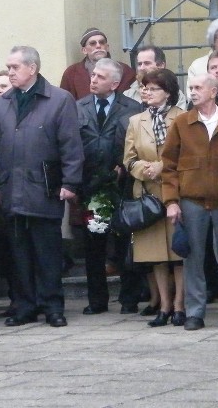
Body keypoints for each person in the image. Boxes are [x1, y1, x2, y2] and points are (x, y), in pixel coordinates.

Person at [0, 46, 84, 328]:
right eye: (9, 67)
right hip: (11, 190)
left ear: (33, 68)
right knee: (18, 254)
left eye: (15, 67)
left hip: (45, 188)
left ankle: (52, 306)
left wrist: (70, 182)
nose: (11, 72)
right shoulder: (2, 102)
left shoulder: (59, 99)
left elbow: (70, 144)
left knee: (47, 253)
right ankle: (24, 305)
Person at [160, 73, 218, 330]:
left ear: (213, 92)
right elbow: (168, 166)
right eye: (190, 88)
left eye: (198, 87)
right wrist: (171, 201)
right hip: (192, 200)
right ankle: (195, 312)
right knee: (194, 258)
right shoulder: (181, 123)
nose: (193, 92)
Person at [76, 58, 143, 315]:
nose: (93, 79)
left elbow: (137, 142)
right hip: (93, 186)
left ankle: (129, 298)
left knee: (126, 242)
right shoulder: (79, 106)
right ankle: (97, 300)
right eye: (93, 75)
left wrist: (122, 166)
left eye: (100, 77)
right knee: (94, 244)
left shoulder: (133, 107)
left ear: (115, 83)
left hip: (124, 185)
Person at [124, 68, 186, 327]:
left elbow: (189, 154)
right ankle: (163, 304)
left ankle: (181, 305)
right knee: (157, 255)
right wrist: (144, 169)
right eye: (145, 88)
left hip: (177, 192)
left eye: (153, 88)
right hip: (148, 195)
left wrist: (163, 166)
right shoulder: (135, 121)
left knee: (179, 252)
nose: (147, 93)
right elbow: (128, 159)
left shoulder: (182, 117)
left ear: (168, 92)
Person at [60, 28, 135, 100]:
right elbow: (65, 103)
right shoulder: (71, 73)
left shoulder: (124, 70)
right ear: (84, 50)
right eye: (92, 43)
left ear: (107, 47)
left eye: (102, 42)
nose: (98, 46)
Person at [123, 45, 188, 109]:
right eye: (139, 64)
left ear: (161, 65)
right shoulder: (128, 94)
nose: (142, 68)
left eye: (147, 63)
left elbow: (179, 118)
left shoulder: (175, 95)